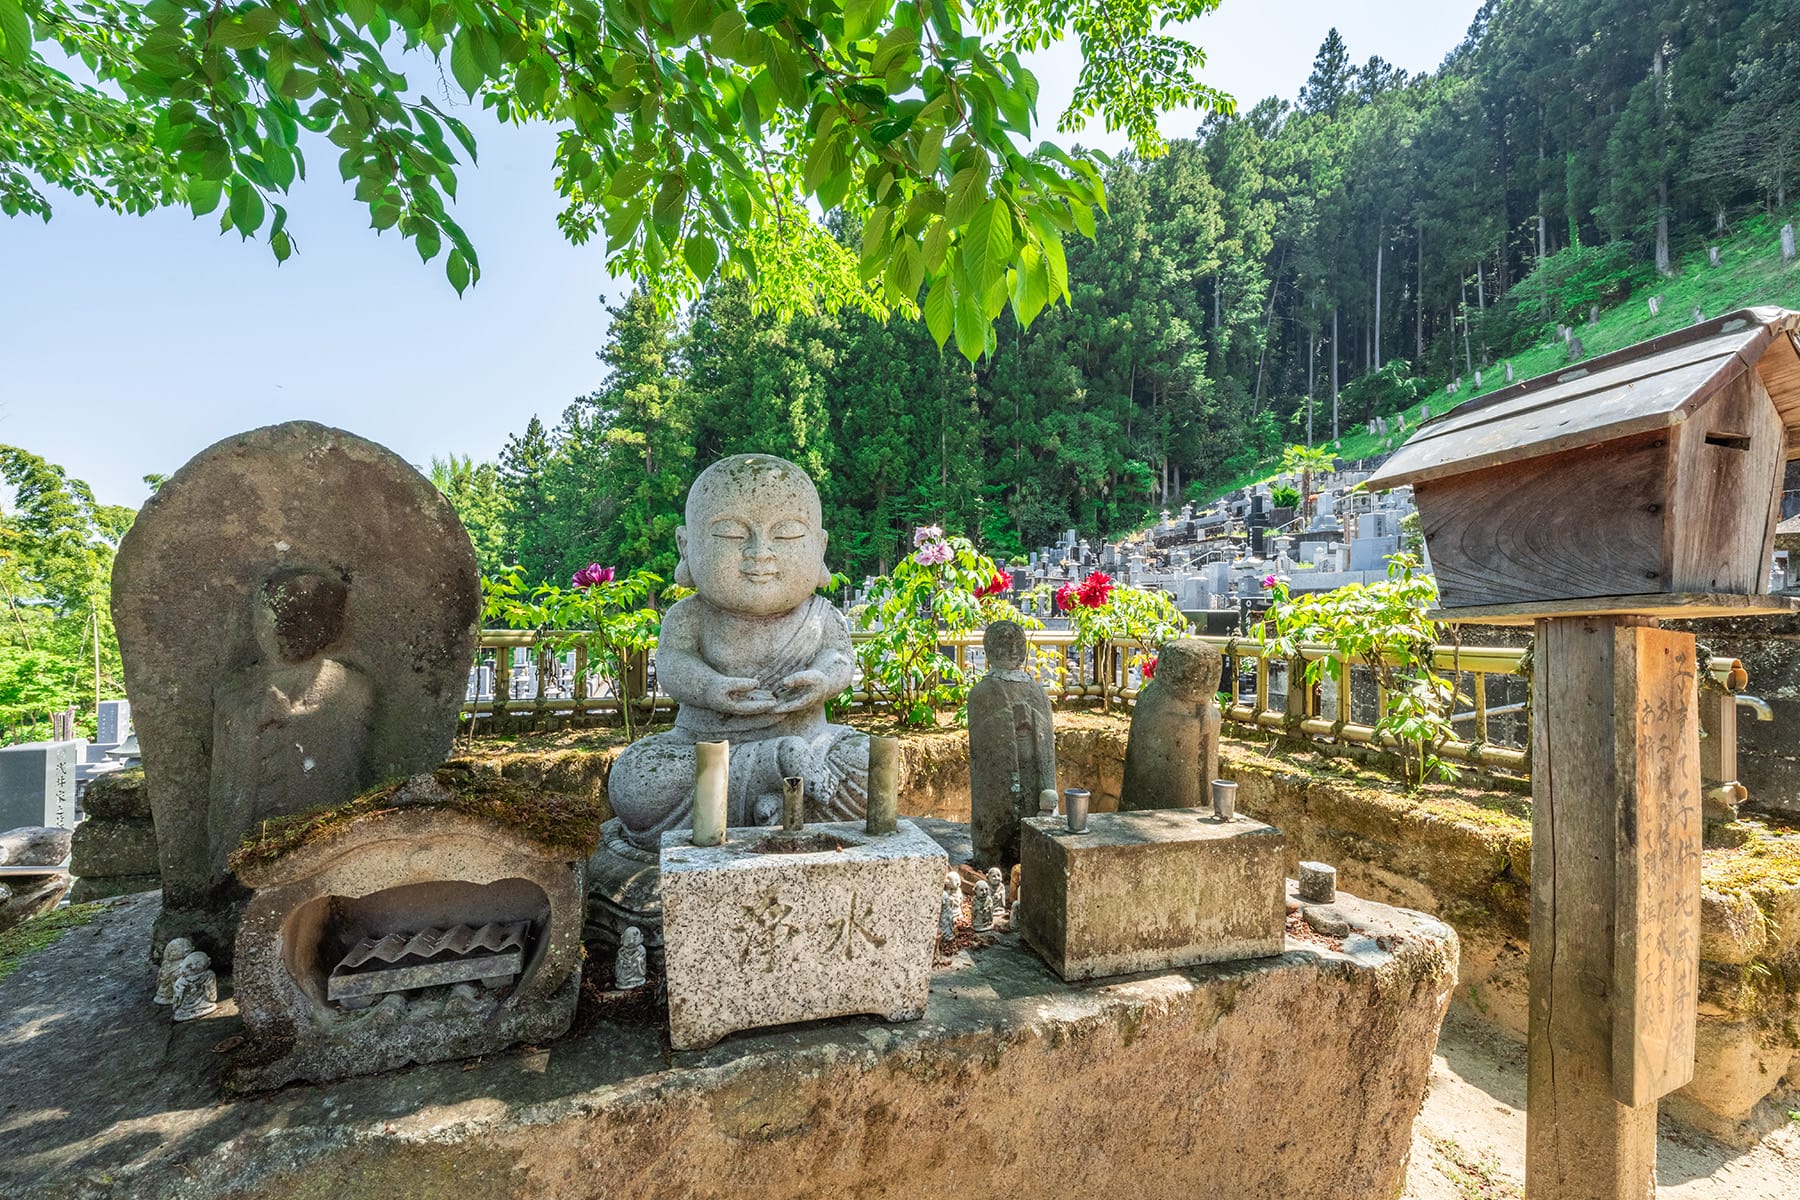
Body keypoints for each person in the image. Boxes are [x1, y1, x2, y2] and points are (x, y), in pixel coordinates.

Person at [606, 455, 868, 849]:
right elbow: (674, 664)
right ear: (686, 545)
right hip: (703, 745)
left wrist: (821, 681)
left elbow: (840, 660)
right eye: (730, 533)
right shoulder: (690, 615)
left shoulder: (822, 614)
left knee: (869, 762)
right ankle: (774, 770)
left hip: (813, 741)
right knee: (637, 780)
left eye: (787, 534)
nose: (759, 552)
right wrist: (710, 687)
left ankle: (773, 785)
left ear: (820, 547)